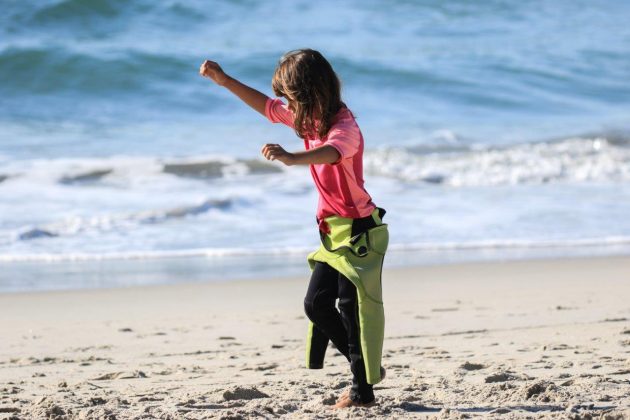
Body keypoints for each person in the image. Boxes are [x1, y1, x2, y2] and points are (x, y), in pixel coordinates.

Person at [199, 49, 388, 409]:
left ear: (311, 94)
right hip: (332, 231)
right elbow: (266, 107)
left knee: (350, 307)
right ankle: (363, 369)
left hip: (361, 231)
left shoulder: (344, 127)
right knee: (316, 305)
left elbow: (333, 153)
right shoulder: (309, 120)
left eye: (290, 97)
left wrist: (291, 157)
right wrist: (224, 81)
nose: (285, 104)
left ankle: (363, 389)